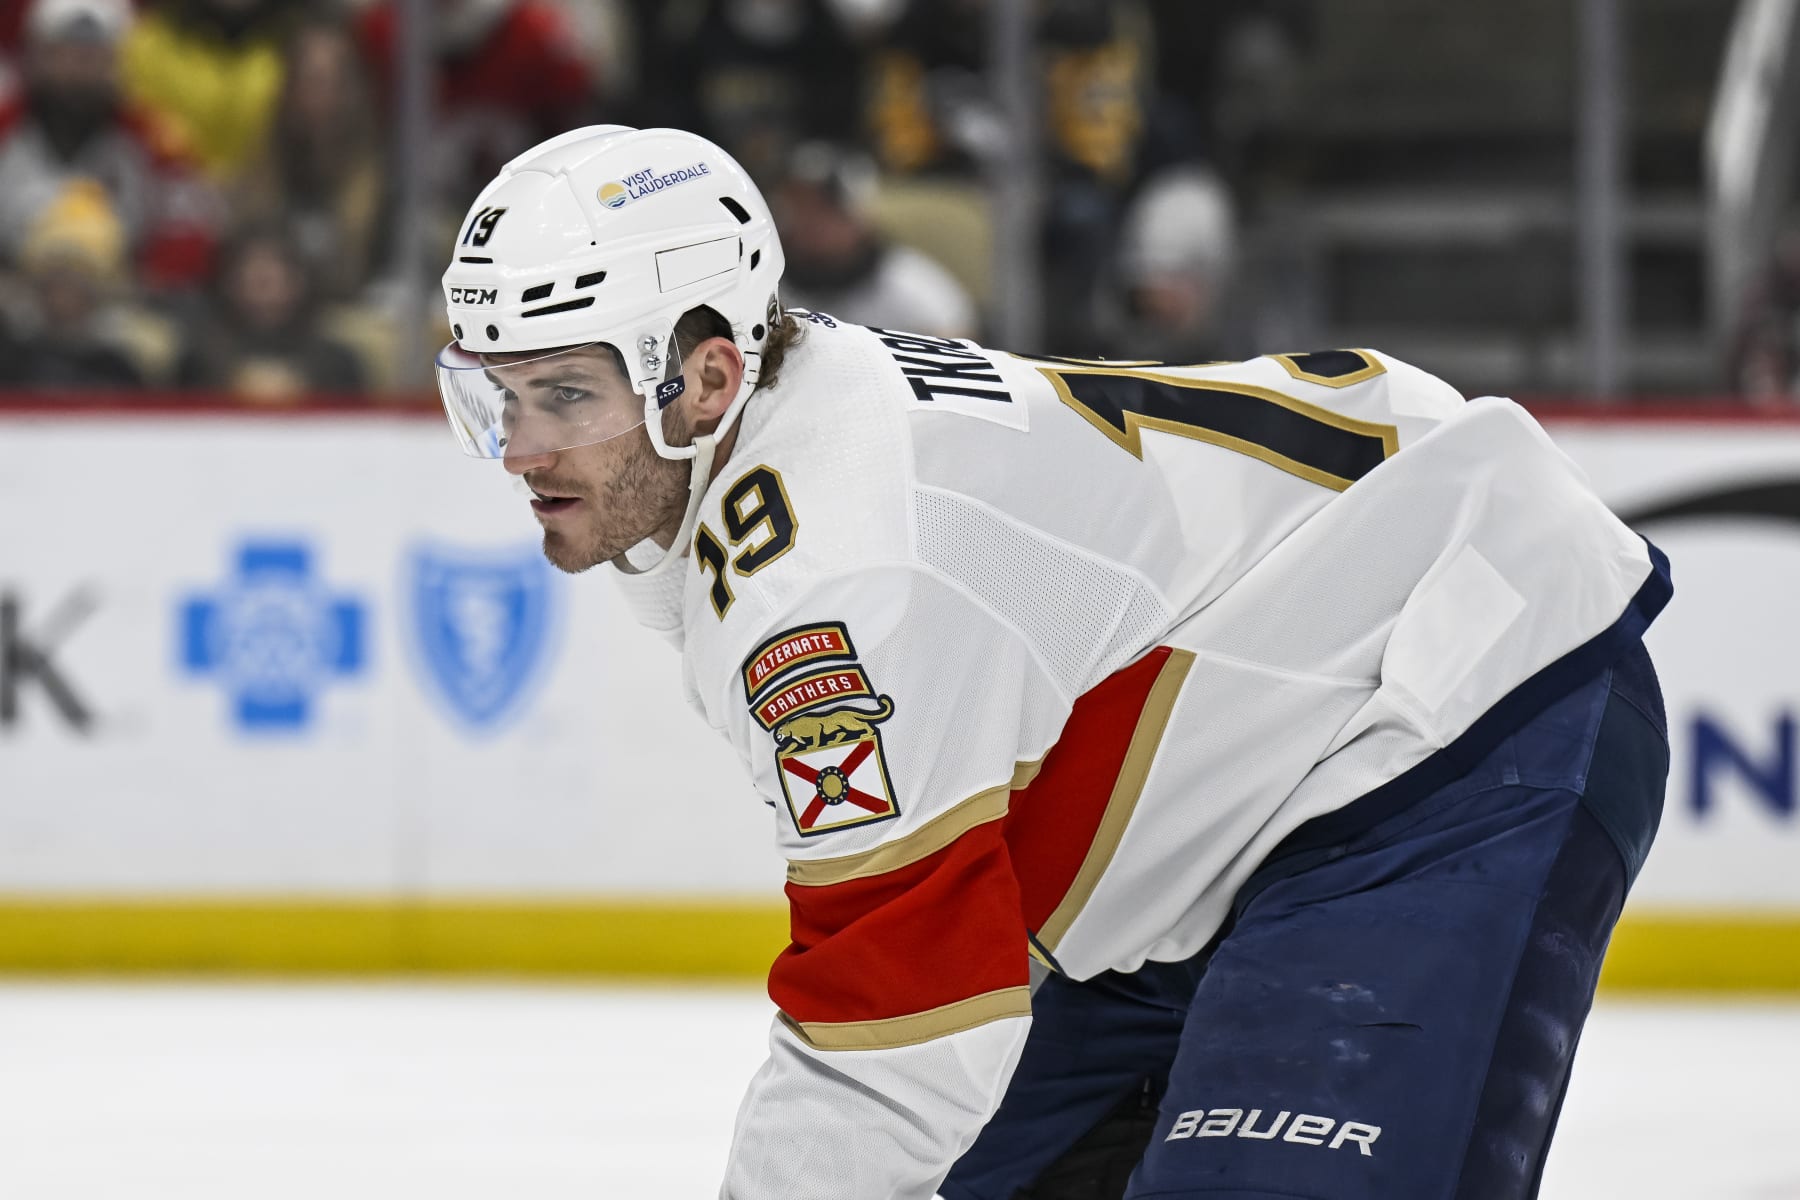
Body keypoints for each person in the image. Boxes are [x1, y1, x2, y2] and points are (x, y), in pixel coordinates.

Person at [431, 126, 1671, 1199]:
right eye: (495, 396)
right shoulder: (766, 442)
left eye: (562, 393)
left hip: (1451, 705)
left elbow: (893, 1034)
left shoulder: (830, 576)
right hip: (1227, 822)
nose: (518, 449)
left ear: (706, 376)